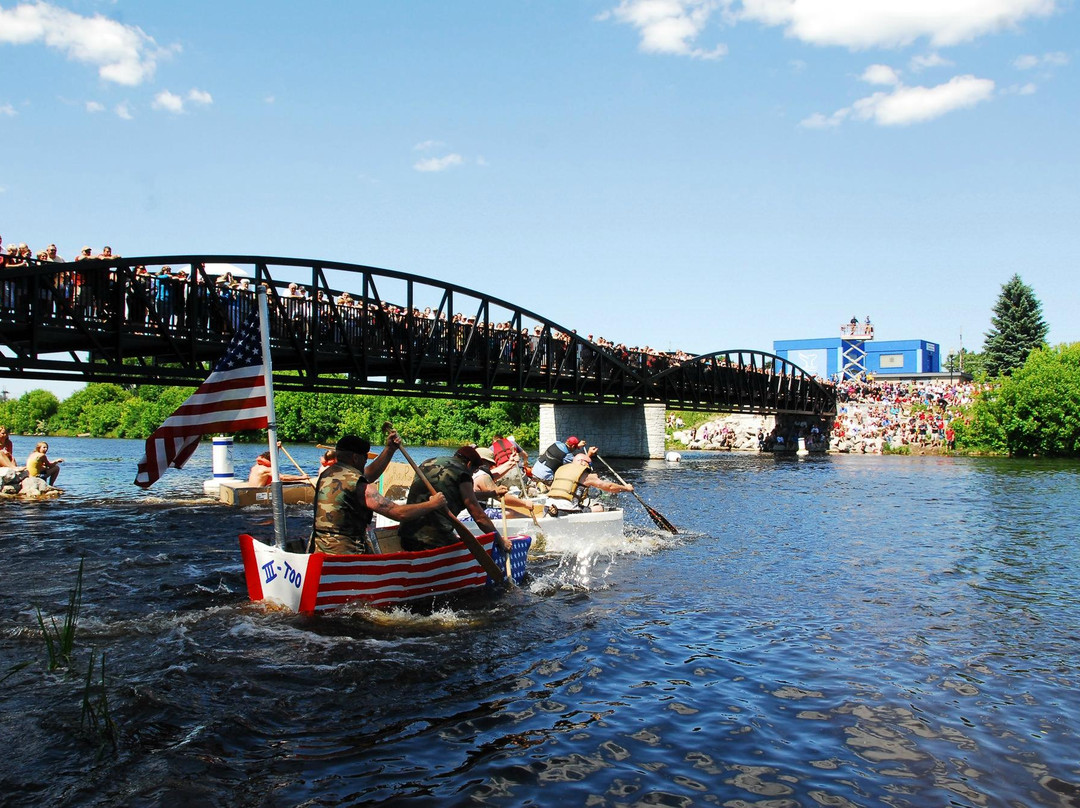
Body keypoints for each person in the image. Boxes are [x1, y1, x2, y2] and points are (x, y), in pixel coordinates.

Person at [311, 433, 447, 555]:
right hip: (345, 553)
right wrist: (433, 504)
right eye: (365, 457)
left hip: (320, 548)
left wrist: (389, 449)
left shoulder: (328, 474)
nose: (366, 460)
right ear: (355, 458)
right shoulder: (359, 486)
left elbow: (368, 474)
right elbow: (397, 513)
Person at [398, 446, 508, 552]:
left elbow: (464, 496)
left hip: (406, 534)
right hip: (432, 540)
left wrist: (493, 493)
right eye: (474, 471)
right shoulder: (462, 473)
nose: (473, 474)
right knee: (461, 548)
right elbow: (479, 516)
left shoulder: (428, 462)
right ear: (469, 464)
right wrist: (500, 540)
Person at [546, 452, 633, 515]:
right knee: (599, 508)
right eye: (589, 464)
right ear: (582, 462)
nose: (589, 467)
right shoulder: (586, 475)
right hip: (565, 510)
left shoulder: (561, 469)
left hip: (547, 507)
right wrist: (626, 488)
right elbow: (609, 487)